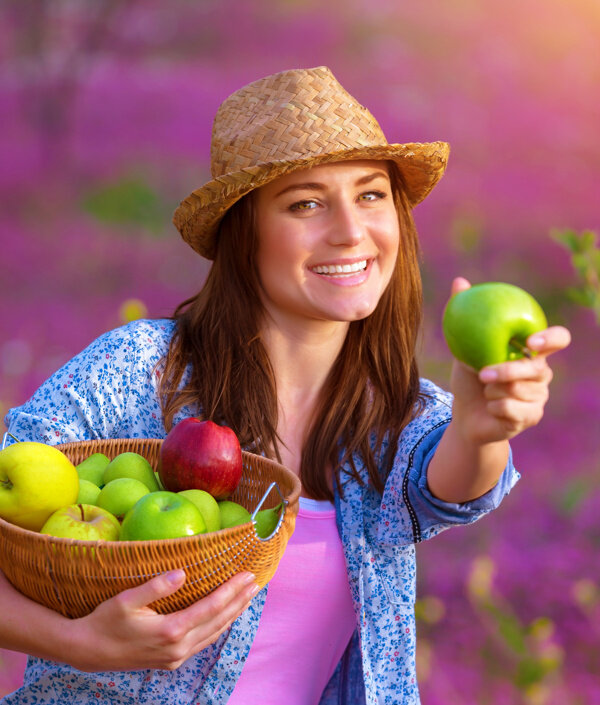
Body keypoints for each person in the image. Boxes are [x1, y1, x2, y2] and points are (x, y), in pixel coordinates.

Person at [1, 66, 570, 704]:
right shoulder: (137, 372)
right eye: (305, 203)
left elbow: (452, 483)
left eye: (371, 195)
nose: (351, 232)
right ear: (245, 234)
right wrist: (81, 643)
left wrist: (481, 424)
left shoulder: (400, 416)